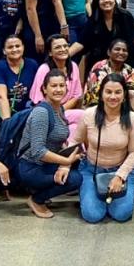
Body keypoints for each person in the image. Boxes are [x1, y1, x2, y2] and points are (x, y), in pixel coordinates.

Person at [74, 74, 134, 223]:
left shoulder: (133, 118)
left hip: (120, 170)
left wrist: (120, 176)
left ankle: (106, 198)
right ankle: (91, 194)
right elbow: (75, 141)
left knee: (121, 215)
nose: (113, 96)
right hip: (91, 170)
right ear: (101, 94)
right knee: (92, 215)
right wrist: (65, 165)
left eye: (118, 92)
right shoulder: (89, 114)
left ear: (124, 95)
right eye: (108, 92)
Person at [17, 70, 84, 218]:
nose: (58, 89)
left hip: (48, 164)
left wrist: (66, 163)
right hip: (32, 167)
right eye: (54, 86)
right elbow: (38, 151)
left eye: (62, 85)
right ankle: (37, 199)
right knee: (75, 179)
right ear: (44, 89)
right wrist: (65, 161)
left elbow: (59, 141)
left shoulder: (59, 108)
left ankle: (43, 191)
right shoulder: (41, 112)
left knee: (81, 164)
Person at [75, 0, 134, 71]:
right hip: (99, 64)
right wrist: (66, 53)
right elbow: (81, 43)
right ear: (98, 2)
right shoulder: (93, 20)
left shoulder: (125, 16)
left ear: (114, 0)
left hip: (123, 62)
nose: (106, 0)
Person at [29, 33, 85, 123]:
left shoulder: (73, 66)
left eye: (65, 46)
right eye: (58, 47)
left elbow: (76, 96)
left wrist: (61, 111)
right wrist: (55, 114)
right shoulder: (44, 69)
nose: (63, 49)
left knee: (85, 116)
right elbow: (38, 101)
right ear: (50, 52)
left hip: (65, 111)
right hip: (46, 113)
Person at [0, 34, 39, 118]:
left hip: (29, 111)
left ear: (23, 47)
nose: (14, 49)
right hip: (7, 111)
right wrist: (7, 122)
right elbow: (2, 97)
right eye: (10, 47)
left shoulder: (32, 64)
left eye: (17, 46)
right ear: (4, 51)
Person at [83, 38, 134, 110]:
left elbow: (132, 94)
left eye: (124, 50)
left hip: (121, 106)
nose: (121, 52)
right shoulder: (99, 67)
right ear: (109, 52)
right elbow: (96, 96)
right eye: (117, 49)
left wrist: (133, 114)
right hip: (96, 106)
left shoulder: (130, 70)